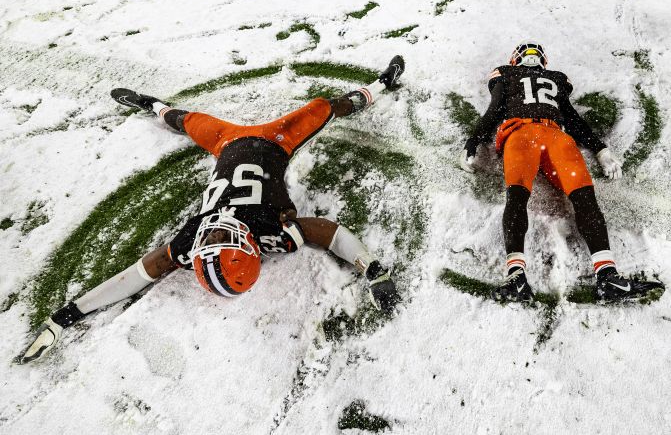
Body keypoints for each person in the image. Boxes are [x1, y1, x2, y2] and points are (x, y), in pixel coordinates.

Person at [19, 56, 406, 364]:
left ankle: (149, 103)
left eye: (209, 241)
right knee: (326, 107)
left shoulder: (192, 246)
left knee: (184, 121)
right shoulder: (272, 231)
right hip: (277, 140)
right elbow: (330, 233)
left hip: (226, 142)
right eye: (222, 238)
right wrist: (371, 267)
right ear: (250, 247)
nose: (212, 231)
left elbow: (135, 276)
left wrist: (69, 313)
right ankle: (378, 86)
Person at [459, 40, 664, 302]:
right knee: (556, 197)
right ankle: (597, 276)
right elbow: (568, 116)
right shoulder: (547, 78)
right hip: (547, 136)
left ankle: (527, 277)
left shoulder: (514, 74)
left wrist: (473, 140)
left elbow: (499, 110)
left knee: (552, 196)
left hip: (529, 135)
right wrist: (599, 149)